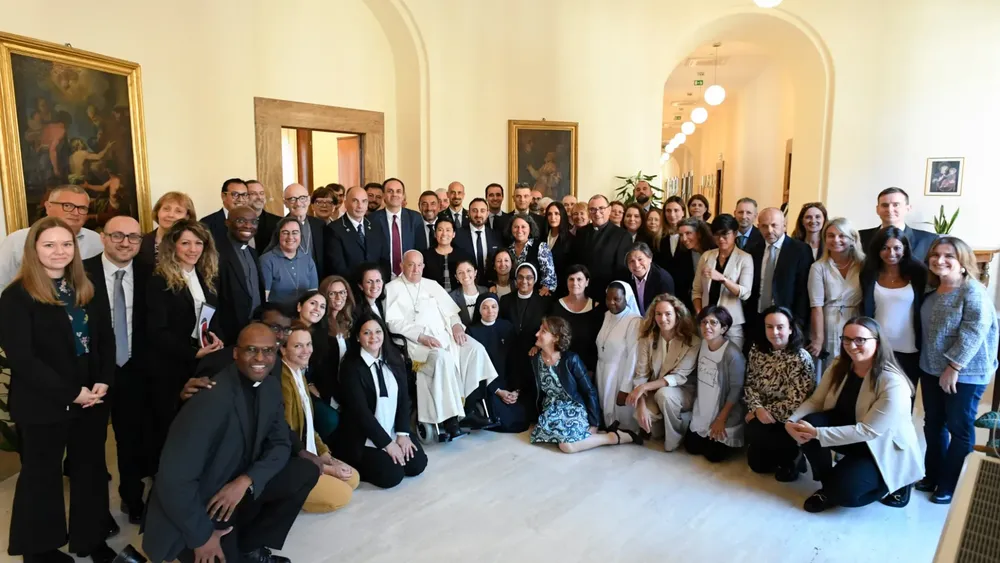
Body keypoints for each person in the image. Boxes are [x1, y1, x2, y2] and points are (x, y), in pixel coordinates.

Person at [142, 324, 318, 563]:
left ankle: (249, 546)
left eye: (267, 351)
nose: (260, 358)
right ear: (235, 353)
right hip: (201, 507)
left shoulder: (270, 386)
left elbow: (280, 444)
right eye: (251, 350)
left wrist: (247, 480)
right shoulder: (209, 398)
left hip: (235, 491)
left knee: (306, 470)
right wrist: (202, 537)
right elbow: (173, 481)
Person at [0, 217, 116, 563]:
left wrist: (104, 379)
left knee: (90, 470)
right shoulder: (16, 296)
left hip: (91, 396)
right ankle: (39, 551)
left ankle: (91, 539)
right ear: (34, 249)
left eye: (66, 244)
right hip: (43, 400)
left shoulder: (86, 286)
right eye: (49, 244)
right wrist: (71, 393)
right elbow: (24, 359)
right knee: (42, 477)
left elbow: (105, 338)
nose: (59, 251)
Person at [787, 317, 923, 513]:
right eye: (847, 339)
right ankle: (828, 486)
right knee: (806, 422)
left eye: (860, 340)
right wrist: (792, 420)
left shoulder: (893, 383)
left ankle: (896, 482)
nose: (852, 345)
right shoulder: (839, 365)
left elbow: (868, 431)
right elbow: (816, 401)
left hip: (879, 446)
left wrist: (817, 433)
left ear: (877, 342)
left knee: (846, 494)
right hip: (852, 431)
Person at [917, 237, 999, 504]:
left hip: (964, 373)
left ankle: (948, 485)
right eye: (936, 254)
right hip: (931, 368)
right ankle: (933, 475)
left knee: (959, 428)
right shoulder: (932, 288)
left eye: (948, 256)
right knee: (933, 425)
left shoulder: (972, 292)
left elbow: (974, 332)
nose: (940, 260)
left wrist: (954, 366)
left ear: (963, 262)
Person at [384, 250, 499, 439]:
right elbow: (393, 322)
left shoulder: (432, 285)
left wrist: (456, 327)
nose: (415, 269)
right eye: (411, 264)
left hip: (447, 337)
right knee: (443, 359)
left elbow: (452, 312)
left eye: (419, 265)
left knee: (475, 350)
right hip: (419, 344)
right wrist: (421, 336)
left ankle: (469, 409)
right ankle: (451, 419)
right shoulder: (392, 288)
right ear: (401, 266)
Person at [83, 216, 152, 524]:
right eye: (118, 236)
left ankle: (132, 497)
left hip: (134, 368)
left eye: (134, 237)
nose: (126, 243)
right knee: (91, 443)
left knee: (132, 438)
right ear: (103, 238)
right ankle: (97, 513)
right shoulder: (81, 272)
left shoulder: (151, 273)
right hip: (92, 372)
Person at [146, 220, 224, 465]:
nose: (193, 249)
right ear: (173, 246)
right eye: (186, 243)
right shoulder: (159, 280)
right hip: (172, 367)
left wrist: (215, 338)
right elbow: (156, 331)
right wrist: (193, 353)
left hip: (201, 362)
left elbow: (210, 317)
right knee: (171, 430)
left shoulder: (205, 276)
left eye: (198, 243)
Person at [332, 314, 428, 488]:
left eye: (378, 331)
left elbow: (403, 400)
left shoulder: (394, 360)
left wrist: (403, 434)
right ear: (358, 337)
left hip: (391, 428)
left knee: (417, 464)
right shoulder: (351, 367)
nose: (373, 337)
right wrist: (387, 444)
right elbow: (361, 413)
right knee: (392, 475)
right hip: (364, 436)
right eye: (366, 333)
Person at [530, 316, 641, 452]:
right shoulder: (535, 359)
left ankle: (615, 437)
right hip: (552, 409)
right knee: (541, 437)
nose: (537, 334)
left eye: (543, 331)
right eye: (539, 330)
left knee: (567, 446)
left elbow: (589, 391)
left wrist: (594, 423)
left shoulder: (571, 359)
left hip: (574, 407)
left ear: (556, 338)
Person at [279, 323, 359, 512]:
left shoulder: (299, 374)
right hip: (293, 462)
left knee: (353, 478)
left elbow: (308, 425)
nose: (306, 351)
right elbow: (287, 438)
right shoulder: (283, 381)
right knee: (342, 495)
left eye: (308, 344)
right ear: (283, 349)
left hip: (310, 454)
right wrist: (325, 469)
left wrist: (325, 456)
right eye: (298, 346)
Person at [744, 306, 817, 481]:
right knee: (758, 466)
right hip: (761, 413)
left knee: (756, 429)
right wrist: (756, 407)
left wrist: (760, 412)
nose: (774, 332)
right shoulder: (757, 350)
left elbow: (797, 401)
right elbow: (750, 384)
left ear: (791, 328)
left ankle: (794, 458)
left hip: (788, 419)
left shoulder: (801, 358)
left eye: (780, 327)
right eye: (769, 327)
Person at [625, 294, 700, 451]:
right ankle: (662, 424)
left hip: (682, 390)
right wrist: (641, 404)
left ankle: (674, 438)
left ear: (677, 315)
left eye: (668, 314)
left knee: (664, 395)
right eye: (658, 314)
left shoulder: (692, 341)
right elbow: (641, 374)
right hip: (655, 388)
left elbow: (678, 377)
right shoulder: (647, 339)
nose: (663, 318)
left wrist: (643, 388)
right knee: (645, 423)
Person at [859, 226, 928, 392]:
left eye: (897, 248)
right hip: (878, 346)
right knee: (875, 393)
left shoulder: (918, 273)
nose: (891, 253)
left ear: (905, 249)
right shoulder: (869, 273)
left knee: (906, 395)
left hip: (909, 346)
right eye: (885, 248)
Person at [0, 185, 103, 295]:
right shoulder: (17, 240)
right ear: (48, 207)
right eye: (67, 206)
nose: (76, 213)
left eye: (82, 208)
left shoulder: (97, 241)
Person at [686, 306, 746, 462]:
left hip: (722, 411)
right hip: (703, 407)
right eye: (704, 322)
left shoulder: (732, 354)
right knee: (692, 448)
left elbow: (736, 389)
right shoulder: (702, 344)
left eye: (713, 323)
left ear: (723, 328)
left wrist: (721, 419)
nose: (707, 327)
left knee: (713, 456)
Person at [748, 207, 814, 344]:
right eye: (764, 226)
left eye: (774, 225)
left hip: (788, 321)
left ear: (784, 226)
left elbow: (803, 291)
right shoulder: (753, 250)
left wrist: (798, 323)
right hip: (758, 318)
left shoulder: (800, 250)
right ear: (758, 226)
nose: (769, 230)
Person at [807, 218, 864, 371]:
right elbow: (816, 306)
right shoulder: (818, 267)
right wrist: (818, 339)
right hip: (829, 322)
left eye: (842, 235)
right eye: (831, 236)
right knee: (832, 367)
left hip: (856, 319)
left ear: (852, 238)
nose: (836, 240)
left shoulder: (863, 265)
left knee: (856, 365)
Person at [467, 294, 527, 432]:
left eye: (494, 307)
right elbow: (476, 367)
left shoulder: (507, 327)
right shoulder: (472, 331)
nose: (490, 311)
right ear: (479, 310)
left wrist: (516, 390)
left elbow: (515, 361)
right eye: (485, 308)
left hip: (508, 381)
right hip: (487, 384)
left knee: (522, 416)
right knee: (503, 421)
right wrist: (498, 391)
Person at [499, 263, 550, 425]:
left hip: (533, 350)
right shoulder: (506, 300)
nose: (524, 281)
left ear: (535, 280)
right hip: (511, 350)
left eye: (529, 277)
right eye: (520, 277)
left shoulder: (543, 301)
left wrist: (538, 345)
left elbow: (548, 329)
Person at [692, 215, 753, 349]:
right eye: (717, 235)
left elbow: (745, 293)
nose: (720, 239)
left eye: (725, 234)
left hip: (732, 323)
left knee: (733, 362)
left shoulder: (745, 258)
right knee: (707, 361)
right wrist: (700, 313)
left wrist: (723, 279)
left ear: (735, 233)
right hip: (707, 321)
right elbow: (696, 291)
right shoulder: (707, 256)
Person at [594, 281, 642, 430]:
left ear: (626, 298)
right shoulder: (607, 315)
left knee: (621, 417)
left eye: (617, 299)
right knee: (606, 410)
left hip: (620, 372)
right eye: (608, 298)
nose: (611, 303)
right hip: (603, 369)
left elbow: (634, 356)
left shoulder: (634, 321)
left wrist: (625, 387)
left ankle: (627, 434)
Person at [216, 206, 266, 343]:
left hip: (253, 326)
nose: (248, 226)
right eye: (241, 220)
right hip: (228, 332)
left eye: (253, 222)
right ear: (227, 223)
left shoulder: (252, 252)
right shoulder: (216, 253)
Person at [569, 195, 632, 301]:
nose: (597, 213)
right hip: (583, 293)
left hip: (607, 294)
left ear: (609, 210)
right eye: (592, 209)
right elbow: (575, 261)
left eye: (601, 208)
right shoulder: (581, 232)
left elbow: (622, 270)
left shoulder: (622, 235)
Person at [326, 186, 390, 278]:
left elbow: (385, 261)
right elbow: (338, 267)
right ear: (346, 203)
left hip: (376, 287)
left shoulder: (376, 227)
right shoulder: (334, 229)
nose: (360, 206)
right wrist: (361, 285)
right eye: (355, 201)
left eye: (364, 201)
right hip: (350, 287)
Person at [548, 265, 603, 373]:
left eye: (579, 279)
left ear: (587, 282)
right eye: (571, 279)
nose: (575, 283)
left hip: (588, 369)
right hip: (560, 368)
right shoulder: (556, 307)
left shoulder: (596, 308)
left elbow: (598, 343)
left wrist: (591, 370)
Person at [858, 187, 938, 261]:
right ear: (877, 209)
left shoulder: (929, 240)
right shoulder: (859, 238)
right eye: (885, 205)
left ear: (907, 208)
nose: (890, 209)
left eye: (896, 205)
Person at [372, 178, 428, 278]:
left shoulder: (415, 218)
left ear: (403, 196)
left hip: (409, 275)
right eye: (390, 191)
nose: (394, 194)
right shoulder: (372, 219)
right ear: (384, 195)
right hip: (380, 277)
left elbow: (421, 250)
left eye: (398, 191)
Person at [260, 216, 319, 304]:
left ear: (300, 236)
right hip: (277, 314)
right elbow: (264, 299)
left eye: (295, 233)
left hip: (303, 314)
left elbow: (313, 297)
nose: (290, 237)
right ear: (278, 235)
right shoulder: (266, 260)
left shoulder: (308, 260)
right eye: (285, 232)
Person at [279, 183, 328, 279]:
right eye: (292, 199)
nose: (298, 203)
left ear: (309, 200)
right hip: (290, 281)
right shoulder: (278, 227)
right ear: (285, 203)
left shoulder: (319, 225)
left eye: (302, 198)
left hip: (318, 279)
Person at [139, 191, 196, 268]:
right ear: (157, 212)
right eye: (166, 209)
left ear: (187, 217)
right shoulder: (141, 242)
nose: (171, 215)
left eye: (178, 211)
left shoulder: (196, 244)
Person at [453, 197, 501, 286]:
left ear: (487, 213)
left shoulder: (496, 236)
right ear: (468, 213)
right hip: (465, 285)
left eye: (482, 211)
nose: (478, 214)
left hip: (492, 286)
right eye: (474, 210)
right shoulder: (457, 236)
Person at [507, 214, 556, 295]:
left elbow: (549, 277)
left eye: (523, 227)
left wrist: (543, 292)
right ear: (511, 229)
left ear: (530, 229)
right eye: (516, 227)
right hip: (514, 295)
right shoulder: (508, 250)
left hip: (536, 295)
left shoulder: (541, 247)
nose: (519, 230)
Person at [422, 217, 472, 293]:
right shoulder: (425, 256)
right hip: (432, 299)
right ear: (435, 234)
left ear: (454, 234)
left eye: (448, 230)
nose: (444, 234)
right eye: (440, 230)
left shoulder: (463, 255)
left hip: (459, 299)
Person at [625, 242, 675, 316]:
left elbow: (667, 311)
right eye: (632, 261)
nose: (636, 265)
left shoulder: (663, 279)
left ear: (650, 258)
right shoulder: (625, 278)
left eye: (640, 259)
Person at [199, 178, 248, 244]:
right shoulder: (206, 223)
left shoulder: (252, 222)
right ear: (223, 196)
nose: (241, 199)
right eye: (235, 194)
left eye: (244, 195)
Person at [544, 201, 574, 287]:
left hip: (562, 286)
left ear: (562, 216)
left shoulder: (570, 239)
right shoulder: (542, 237)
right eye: (549, 214)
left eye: (557, 213)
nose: (553, 217)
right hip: (542, 287)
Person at [247, 180, 282, 251]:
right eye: (253, 193)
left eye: (262, 193)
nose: (259, 197)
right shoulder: (236, 222)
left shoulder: (278, 222)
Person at [449, 259, 487, 326]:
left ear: (475, 273)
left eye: (468, 271)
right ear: (456, 277)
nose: (465, 275)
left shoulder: (486, 291)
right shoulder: (451, 297)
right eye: (460, 272)